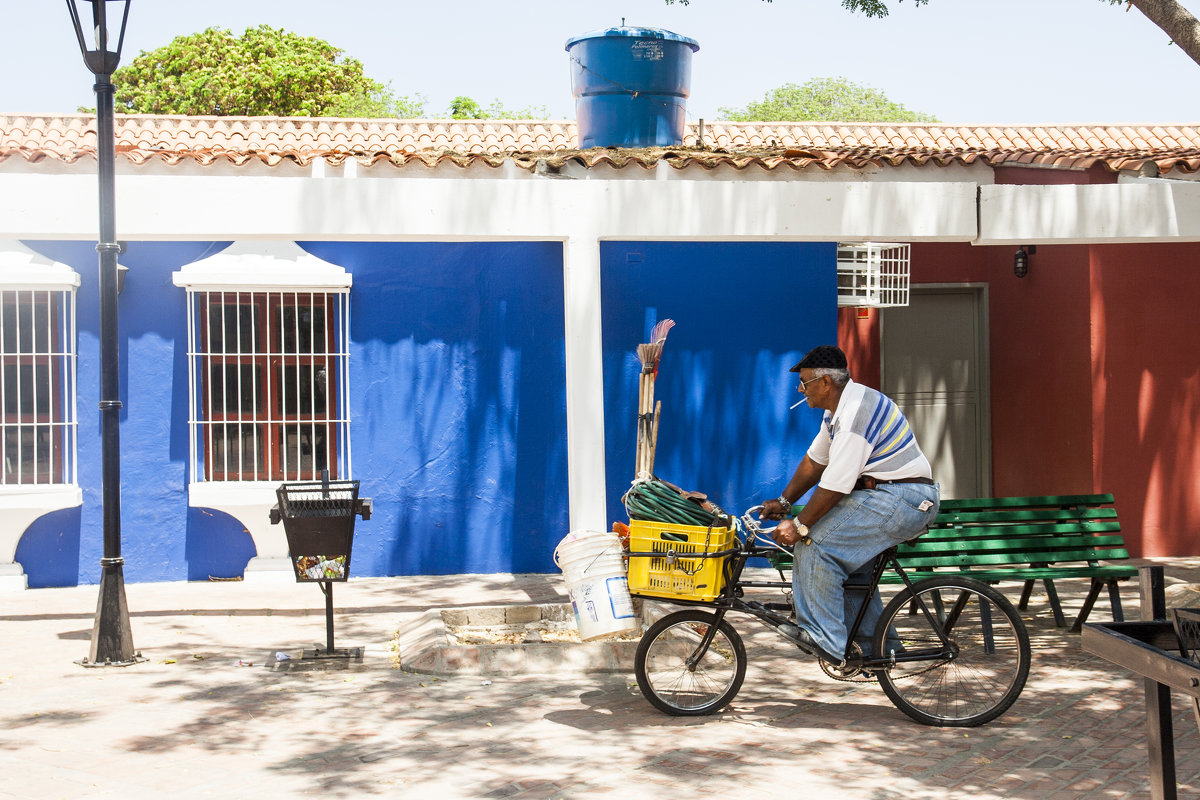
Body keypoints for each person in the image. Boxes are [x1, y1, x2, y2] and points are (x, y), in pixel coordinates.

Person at [761, 344, 940, 666]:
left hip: (900, 499)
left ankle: (823, 639)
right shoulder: (838, 412)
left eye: (804, 384)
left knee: (813, 545)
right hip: (891, 498)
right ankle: (878, 650)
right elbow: (815, 463)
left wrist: (800, 526)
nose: (800, 391)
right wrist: (785, 501)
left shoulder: (857, 411)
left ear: (825, 382)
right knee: (854, 573)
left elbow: (837, 482)